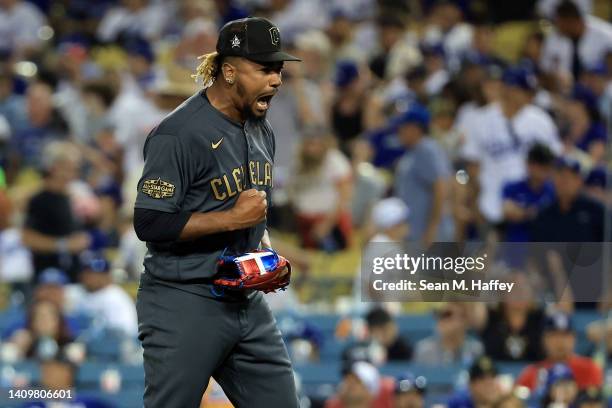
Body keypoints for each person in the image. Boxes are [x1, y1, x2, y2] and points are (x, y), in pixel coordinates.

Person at [132, 17, 301, 408]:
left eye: (278, 69)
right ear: (228, 71)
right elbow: (149, 222)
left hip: (244, 300)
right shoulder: (179, 133)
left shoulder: (261, 128)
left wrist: (263, 251)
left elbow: (249, 207)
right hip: (183, 298)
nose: (276, 79)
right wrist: (231, 221)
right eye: (264, 69)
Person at [21, 141, 91, 281]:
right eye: (69, 168)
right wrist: (64, 245)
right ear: (55, 168)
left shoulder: (71, 197)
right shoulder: (39, 200)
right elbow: (27, 238)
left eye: (75, 168)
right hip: (48, 276)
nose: (74, 173)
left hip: (73, 273)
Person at [393, 105, 454, 245]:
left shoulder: (426, 149)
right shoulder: (414, 151)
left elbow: (441, 187)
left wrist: (432, 229)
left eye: (402, 127)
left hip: (429, 235)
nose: (399, 132)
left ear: (414, 128)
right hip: (416, 232)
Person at [516, 312, 603, 391]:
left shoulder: (589, 369)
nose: (560, 341)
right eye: (554, 335)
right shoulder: (531, 374)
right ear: (544, 340)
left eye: (565, 335)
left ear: (574, 338)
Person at [540, 0, 612, 81]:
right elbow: (544, 70)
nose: (558, 26)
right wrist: (555, 76)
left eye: (560, 22)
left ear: (570, 21)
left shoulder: (605, 34)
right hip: (565, 91)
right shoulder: (553, 38)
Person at [501, 143, 556, 242]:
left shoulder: (553, 190)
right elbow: (508, 212)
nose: (545, 170)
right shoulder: (512, 187)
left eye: (547, 165)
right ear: (529, 164)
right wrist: (534, 214)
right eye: (540, 165)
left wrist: (524, 213)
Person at [413, 303, 483, 366]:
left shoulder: (475, 349)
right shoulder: (424, 350)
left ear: (464, 319)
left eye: (447, 315)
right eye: (440, 315)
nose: (441, 320)